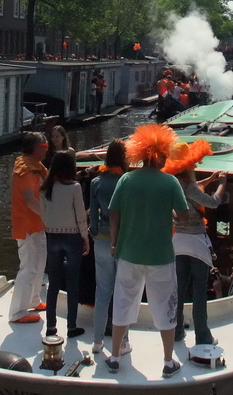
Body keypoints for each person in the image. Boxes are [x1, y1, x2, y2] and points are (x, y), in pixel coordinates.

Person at [107, 124, 189, 378]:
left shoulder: (126, 179)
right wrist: (171, 215)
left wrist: (114, 243)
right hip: (160, 257)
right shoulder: (170, 182)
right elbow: (184, 217)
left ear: (141, 154)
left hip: (128, 253)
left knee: (123, 303)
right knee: (165, 307)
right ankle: (167, 362)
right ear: (160, 155)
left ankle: (114, 357)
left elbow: (114, 215)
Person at [165, 140, 227, 346]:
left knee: (179, 289)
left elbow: (191, 193)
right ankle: (202, 336)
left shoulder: (172, 183)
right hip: (197, 245)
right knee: (199, 291)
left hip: (178, 243)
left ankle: (177, 332)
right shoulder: (190, 186)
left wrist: (208, 179)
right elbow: (212, 202)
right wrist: (221, 185)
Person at [40, 150, 90, 338]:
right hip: (72, 238)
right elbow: (80, 216)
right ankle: (71, 326)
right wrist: (85, 237)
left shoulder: (45, 188)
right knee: (72, 283)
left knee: (53, 283)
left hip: (52, 237)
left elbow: (43, 215)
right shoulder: (74, 187)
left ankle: (51, 327)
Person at [88, 139, 128, 355]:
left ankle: (96, 341)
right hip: (123, 242)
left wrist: (94, 232)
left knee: (102, 292)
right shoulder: (126, 180)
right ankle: (123, 342)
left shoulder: (96, 182)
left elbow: (93, 217)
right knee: (123, 293)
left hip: (101, 240)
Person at [9, 132, 49, 323]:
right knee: (28, 267)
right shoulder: (25, 170)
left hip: (38, 224)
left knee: (40, 263)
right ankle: (17, 313)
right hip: (27, 226)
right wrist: (50, 214)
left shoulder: (36, 167)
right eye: (44, 147)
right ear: (34, 148)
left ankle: (34, 299)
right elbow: (29, 199)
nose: (46, 150)